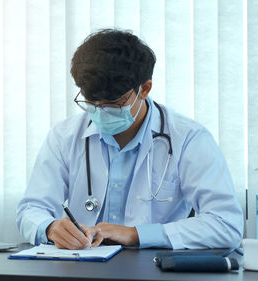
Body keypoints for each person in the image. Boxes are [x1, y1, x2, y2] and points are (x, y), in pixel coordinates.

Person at [16, 29, 243, 250]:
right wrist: (50, 228)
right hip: (81, 267)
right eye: (91, 102)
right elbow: (32, 209)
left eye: (112, 104)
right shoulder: (64, 137)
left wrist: (136, 234)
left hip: (153, 270)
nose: (100, 111)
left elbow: (226, 224)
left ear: (144, 89)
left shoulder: (189, 139)